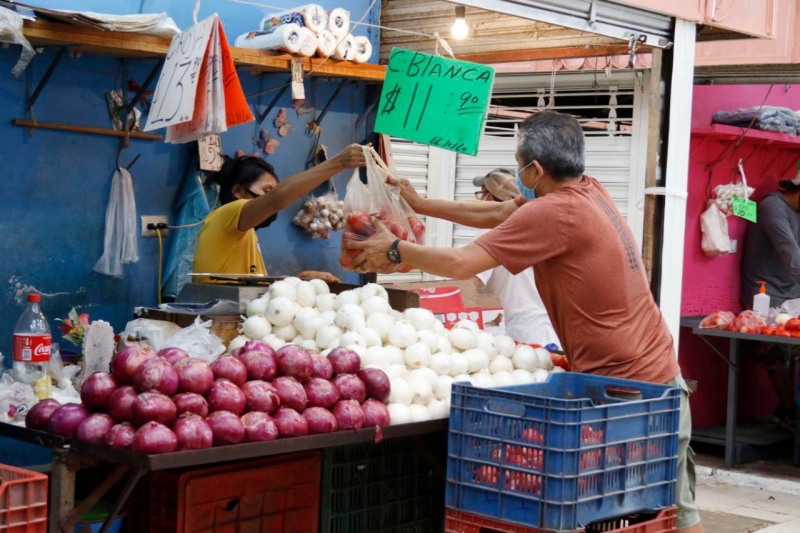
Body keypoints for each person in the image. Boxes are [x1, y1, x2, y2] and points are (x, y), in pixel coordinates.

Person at [348, 111, 702, 532]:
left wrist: (396, 249)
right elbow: (495, 216)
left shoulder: (556, 212)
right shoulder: (587, 191)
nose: (516, 174)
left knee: (667, 516)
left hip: (631, 391)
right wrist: (420, 204)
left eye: (519, 164)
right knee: (655, 510)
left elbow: (462, 262)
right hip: (648, 379)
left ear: (535, 170)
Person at [193, 145, 365, 281]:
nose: (269, 199)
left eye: (272, 191)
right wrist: (339, 162)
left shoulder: (246, 233)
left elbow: (252, 291)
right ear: (238, 191)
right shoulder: (225, 216)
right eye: (266, 190)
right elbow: (276, 199)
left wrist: (296, 282)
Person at [739, 174, 800, 430]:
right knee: (778, 348)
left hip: (792, 293)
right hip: (765, 295)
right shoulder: (772, 207)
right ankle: (787, 411)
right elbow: (790, 252)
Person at [472, 169, 559, 345]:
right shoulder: (540, 232)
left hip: (515, 339)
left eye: (481, 194)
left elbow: (468, 281)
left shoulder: (492, 235)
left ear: (488, 199)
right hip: (549, 334)